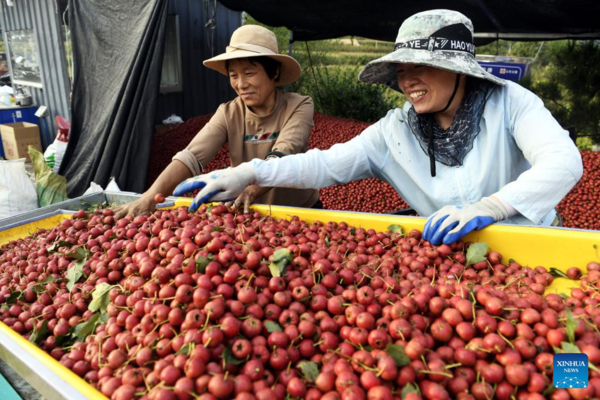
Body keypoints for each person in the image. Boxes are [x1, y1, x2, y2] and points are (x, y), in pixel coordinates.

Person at [172, 10, 583, 246]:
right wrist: (251, 171)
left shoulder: (511, 102)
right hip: (451, 256)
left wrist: (491, 207)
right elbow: (326, 164)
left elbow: (563, 162)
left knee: (566, 374)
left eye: (422, 67)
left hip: (535, 246)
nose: (407, 82)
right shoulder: (395, 131)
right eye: (401, 71)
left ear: (459, 72)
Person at [113, 25, 320, 217]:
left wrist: (252, 190)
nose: (241, 84)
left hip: (300, 213)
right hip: (250, 212)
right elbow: (191, 156)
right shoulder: (229, 112)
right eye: (233, 75)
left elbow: (284, 153)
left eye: (249, 73)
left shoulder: (299, 106)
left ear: (274, 72)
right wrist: (150, 197)